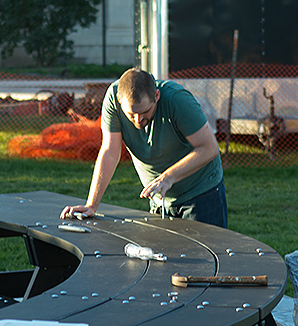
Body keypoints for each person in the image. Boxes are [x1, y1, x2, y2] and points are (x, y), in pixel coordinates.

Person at [61, 68, 227, 227]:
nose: (138, 120)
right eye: (131, 114)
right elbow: (110, 151)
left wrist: (168, 177)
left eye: (145, 112)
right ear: (119, 100)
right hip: (159, 198)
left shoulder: (177, 100)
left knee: (204, 248)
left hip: (201, 192)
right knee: (163, 247)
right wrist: (91, 205)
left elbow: (209, 148)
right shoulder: (113, 99)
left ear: (157, 96)